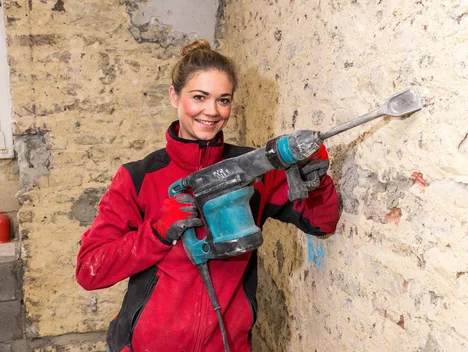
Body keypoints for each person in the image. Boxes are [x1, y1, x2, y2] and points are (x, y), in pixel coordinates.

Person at [75, 40, 340, 352]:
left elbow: (321, 223)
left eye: (223, 100)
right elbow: (89, 271)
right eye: (199, 97)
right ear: (174, 96)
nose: (212, 111)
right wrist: (158, 232)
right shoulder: (138, 177)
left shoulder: (253, 170)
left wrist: (315, 180)